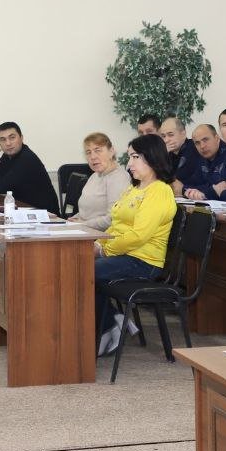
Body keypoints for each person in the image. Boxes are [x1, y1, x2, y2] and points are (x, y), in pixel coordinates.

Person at [94, 133, 177, 354]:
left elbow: (138, 236)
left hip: (143, 261)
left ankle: (108, 326)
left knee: (84, 271)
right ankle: (112, 321)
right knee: (78, 266)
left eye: (135, 157)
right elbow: (116, 225)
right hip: (124, 254)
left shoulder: (159, 191)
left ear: (152, 157)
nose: (129, 164)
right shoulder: (134, 188)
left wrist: (104, 250)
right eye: (129, 157)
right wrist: (98, 243)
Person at [0, 121, 60, 214]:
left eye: (12, 138)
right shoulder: (7, 157)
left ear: (21, 138)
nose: (8, 143)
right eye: (3, 140)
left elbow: (0, 190)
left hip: (44, 216)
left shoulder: (27, 159)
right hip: (22, 213)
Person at [69, 132, 130, 231]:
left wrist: (82, 224)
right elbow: (88, 212)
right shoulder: (95, 175)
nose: (93, 157)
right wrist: (74, 219)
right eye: (88, 152)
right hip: (86, 231)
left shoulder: (118, 178)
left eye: (98, 150)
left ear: (111, 151)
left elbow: (113, 218)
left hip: (103, 236)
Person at [179, 124, 225, 199]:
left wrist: (201, 190)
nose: (202, 146)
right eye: (197, 143)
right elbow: (194, 182)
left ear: (217, 138)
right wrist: (184, 188)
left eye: (205, 140)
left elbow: (221, 188)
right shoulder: (202, 157)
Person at [159, 116, 200, 184]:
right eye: (163, 136)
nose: (166, 140)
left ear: (183, 134)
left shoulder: (195, 148)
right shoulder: (166, 154)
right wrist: (164, 156)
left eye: (170, 135)